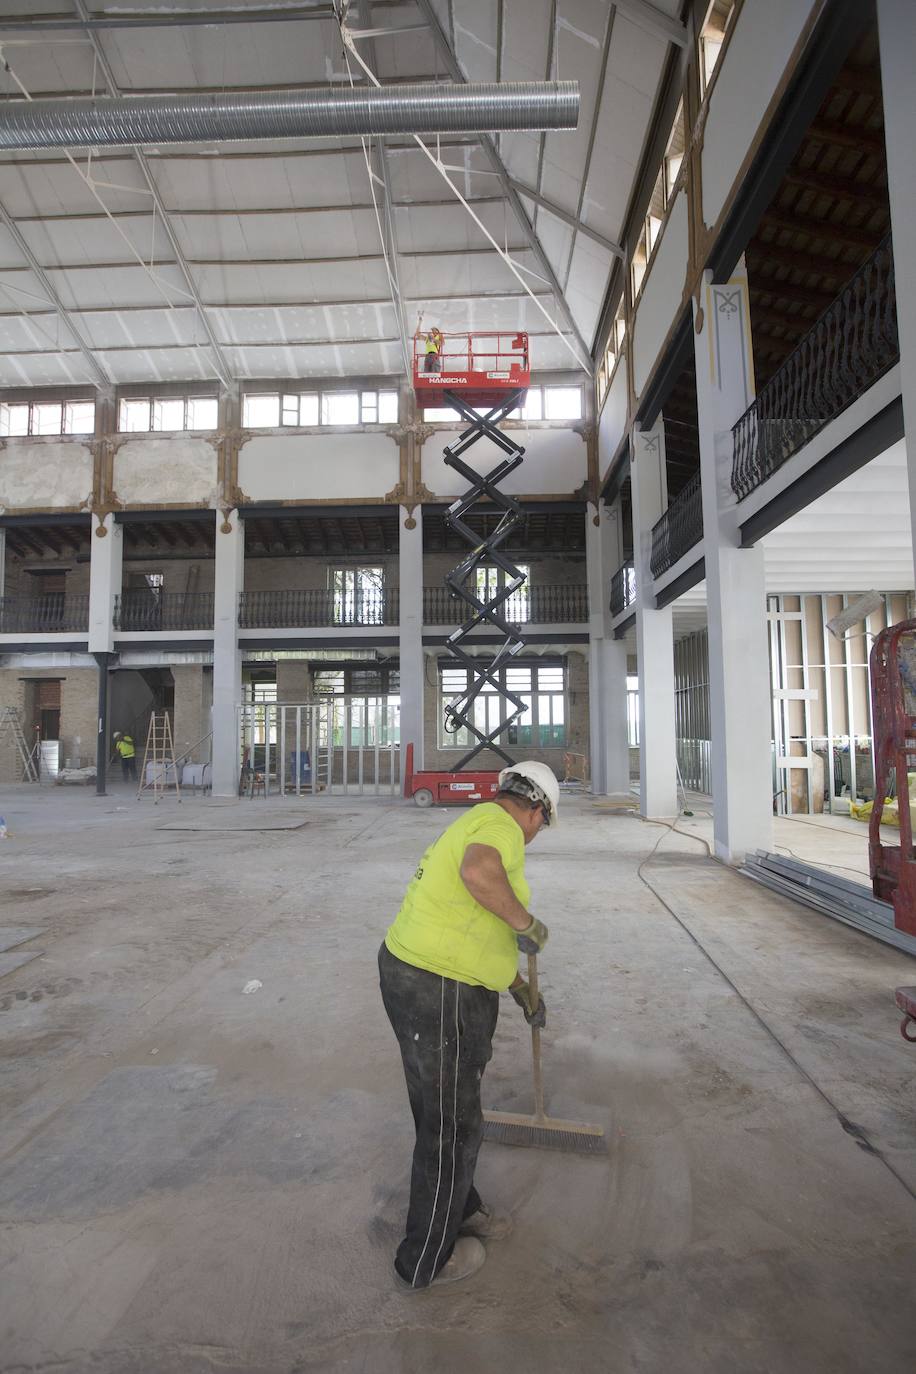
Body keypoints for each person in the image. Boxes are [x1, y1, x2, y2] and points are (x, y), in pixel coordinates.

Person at [378, 760, 558, 1290]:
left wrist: (519, 985)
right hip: (440, 988)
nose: (538, 834)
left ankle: (463, 1205)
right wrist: (528, 924)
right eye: (544, 824)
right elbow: (479, 876)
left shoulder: (478, 819)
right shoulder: (502, 828)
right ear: (537, 810)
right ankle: (424, 1261)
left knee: (443, 1111)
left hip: (416, 974)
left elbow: (472, 920)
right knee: (452, 1127)